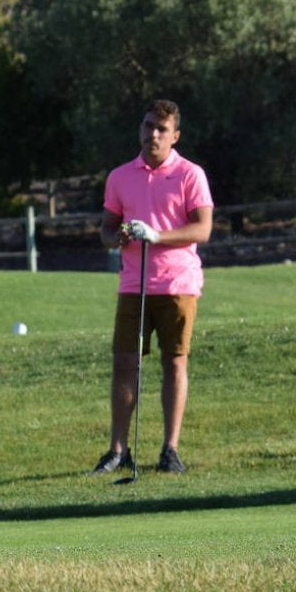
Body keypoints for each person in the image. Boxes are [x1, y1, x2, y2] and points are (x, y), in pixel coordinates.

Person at [92, 99, 213, 476]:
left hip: (178, 283)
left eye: (162, 129)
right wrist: (119, 236)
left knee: (174, 362)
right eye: (148, 126)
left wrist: (158, 235)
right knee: (125, 363)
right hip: (134, 284)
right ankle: (117, 450)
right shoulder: (121, 177)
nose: (153, 134)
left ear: (174, 136)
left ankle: (170, 449)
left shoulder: (190, 175)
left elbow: (202, 230)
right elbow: (106, 231)